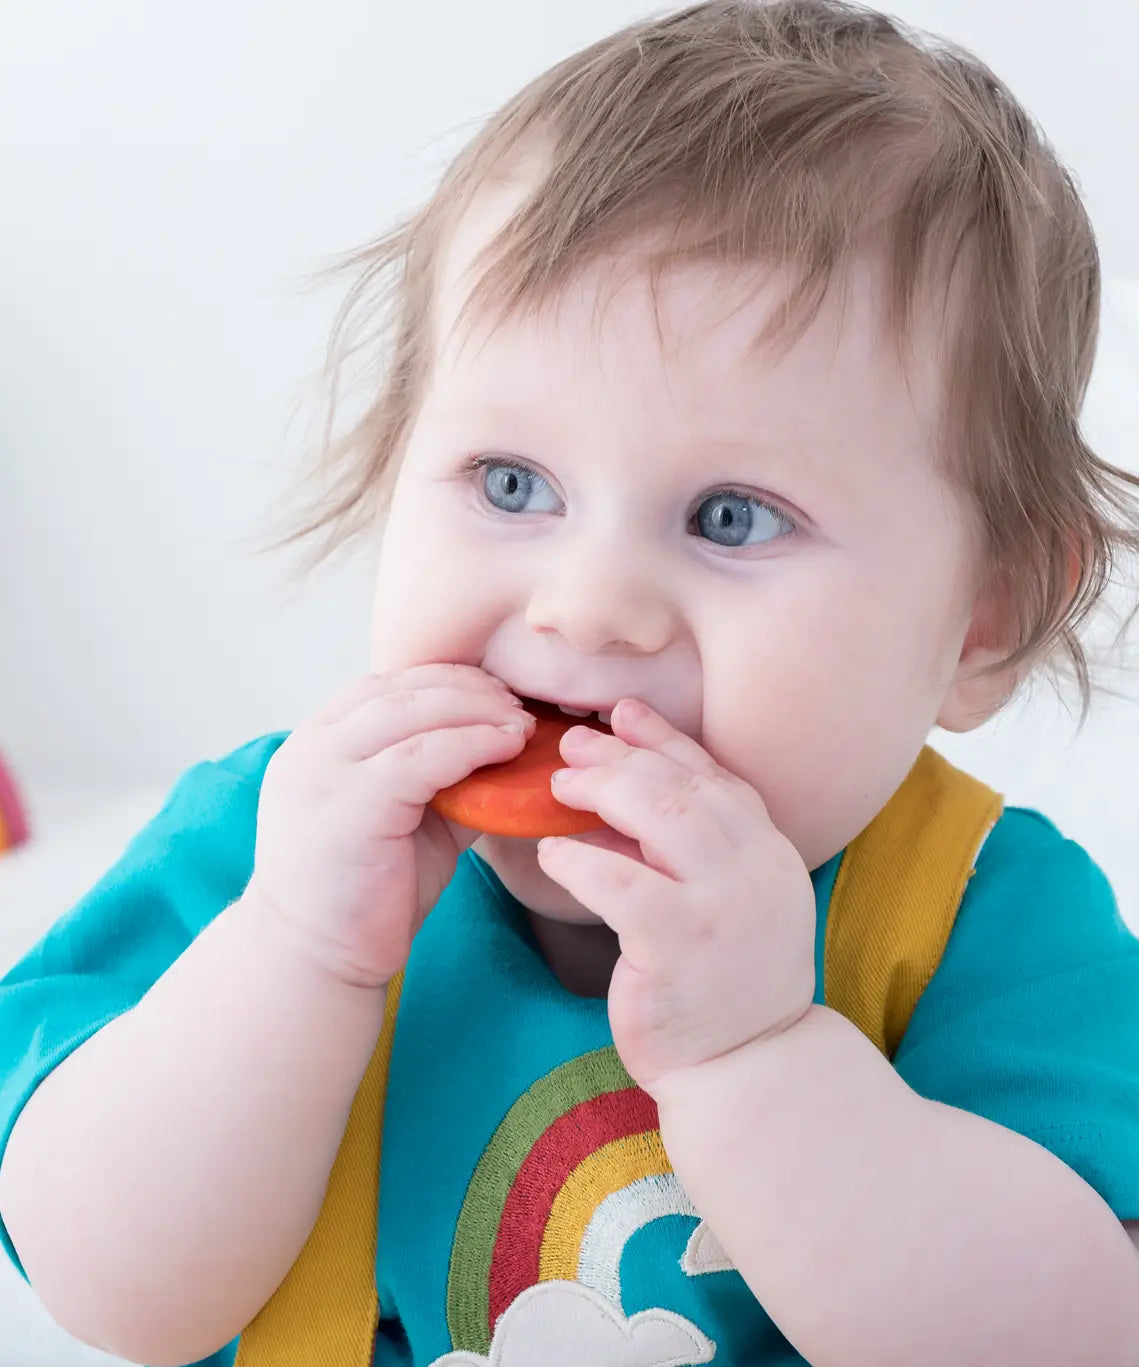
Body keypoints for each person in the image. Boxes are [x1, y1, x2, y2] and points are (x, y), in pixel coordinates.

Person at [3, 2, 1139, 1363]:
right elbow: (105, 1290)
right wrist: (297, 955)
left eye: (731, 517)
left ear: (981, 621)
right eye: (513, 484)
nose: (586, 605)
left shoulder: (980, 923)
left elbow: (1072, 1336)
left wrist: (760, 1057)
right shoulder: (270, 848)